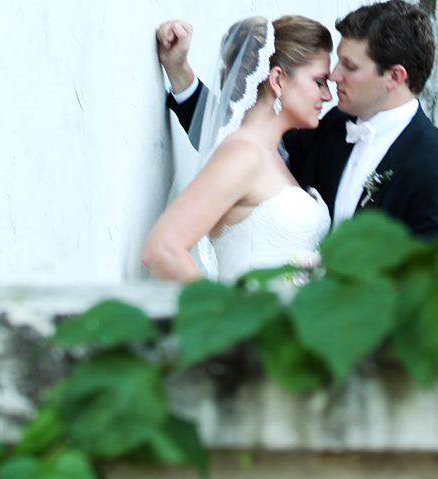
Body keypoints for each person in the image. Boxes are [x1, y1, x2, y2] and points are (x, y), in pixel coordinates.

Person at [158, 0, 438, 242]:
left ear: (394, 77)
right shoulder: (333, 127)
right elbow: (238, 141)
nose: (335, 76)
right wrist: (180, 74)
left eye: (350, 66)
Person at [139, 16, 335, 282]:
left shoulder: (272, 155)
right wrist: (224, 307)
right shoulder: (244, 155)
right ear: (278, 80)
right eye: (319, 82)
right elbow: (162, 249)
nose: (327, 95)